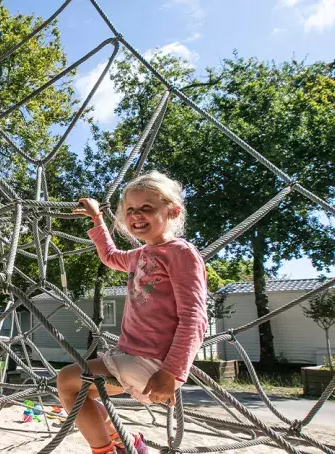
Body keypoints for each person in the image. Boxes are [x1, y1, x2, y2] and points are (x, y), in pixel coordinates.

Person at [58, 172, 207, 454]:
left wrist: (171, 372)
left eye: (147, 208)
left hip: (153, 362)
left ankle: (106, 449)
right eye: (130, 210)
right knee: (78, 391)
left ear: (173, 211)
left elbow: (195, 317)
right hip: (131, 356)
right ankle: (127, 442)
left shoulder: (180, 252)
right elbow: (111, 256)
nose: (137, 215)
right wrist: (97, 220)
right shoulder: (140, 255)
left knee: (67, 381)